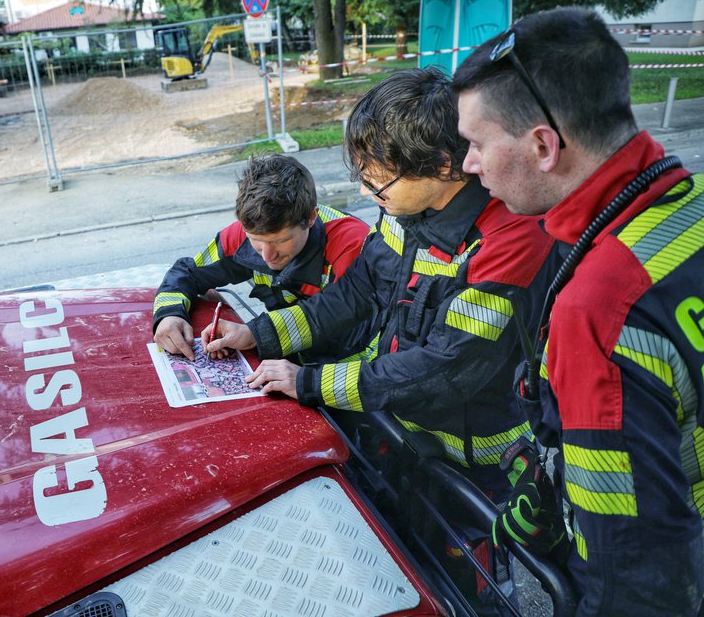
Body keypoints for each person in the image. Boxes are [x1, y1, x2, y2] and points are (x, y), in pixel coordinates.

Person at [203, 68, 558, 613]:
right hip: (402, 432)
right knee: (407, 564)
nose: (368, 193)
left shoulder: (510, 237)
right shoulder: (406, 209)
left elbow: (445, 367)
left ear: (443, 164)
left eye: (378, 182)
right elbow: (357, 294)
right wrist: (259, 333)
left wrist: (311, 382)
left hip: (476, 461)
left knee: (471, 580)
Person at [453, 7, 704, 615]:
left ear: (543, 145)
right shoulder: (686, 206)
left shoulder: (597, 307)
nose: (469, 165)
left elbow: (632, 567)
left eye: (477, 144)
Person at [153, 153, 372, 360]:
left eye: (280, 241)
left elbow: (334, 315)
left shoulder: (353, 243)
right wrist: (170, 314)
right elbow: (188, 272)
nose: (267, 255)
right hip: (290, 362)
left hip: (355, 367)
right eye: (255, 240)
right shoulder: (242, 234)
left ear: (311, 217)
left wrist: (256, 335)